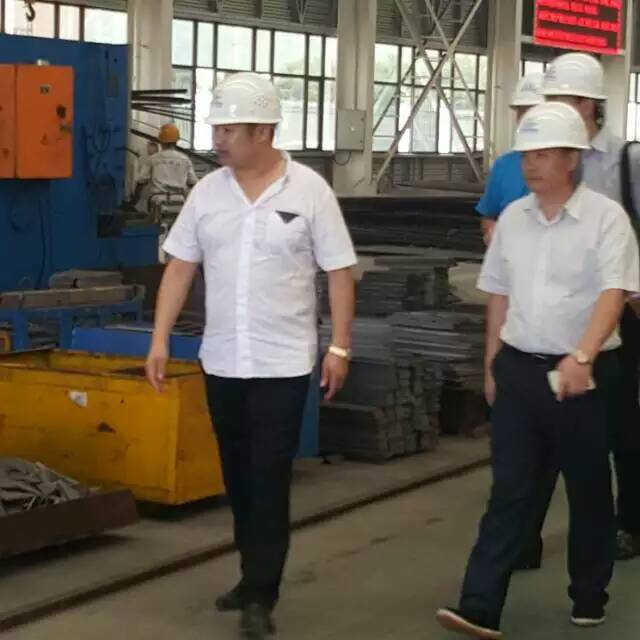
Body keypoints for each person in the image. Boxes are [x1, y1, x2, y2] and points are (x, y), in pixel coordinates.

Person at [144, 72, 356, 640]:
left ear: (262, 131)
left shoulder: (309, 191)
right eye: (215, 128)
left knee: (267, 477)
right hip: (222, 361)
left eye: (228, 129)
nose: (216, 139)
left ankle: (262, 592)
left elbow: (339, 271)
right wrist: (159, 339)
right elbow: (180, 268)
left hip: (282, 364)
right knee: (237, 478)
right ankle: (250, 574)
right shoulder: (207, 193)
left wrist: (339, 345)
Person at [435, 102, 639, 639]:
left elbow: (614, 292)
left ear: (572, 159)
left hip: (586, 376)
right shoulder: (513, 221)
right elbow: (498, 294)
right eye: (526, 155)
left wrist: (583, 356)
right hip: (520, 371)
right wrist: (491, 364)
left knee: (588, 489)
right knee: (510, 490)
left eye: (544, 154)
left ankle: (589, 594)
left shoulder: (606, 219)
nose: (531, 165)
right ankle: (479, 605)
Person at [519, 52, 640, 565]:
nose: (549, 109)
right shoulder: (540, 159)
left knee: (621, 426)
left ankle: (629, 523)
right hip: (555, 314)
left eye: (560, 99)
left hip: (618, 314)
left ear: (588, 103)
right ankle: (524, 537)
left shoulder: (626, 161)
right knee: (542, 429)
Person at [476, 73, 543, 245]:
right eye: (522, 111)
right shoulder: (504, 165)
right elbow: (489, 215)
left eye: (533, 110)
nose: (527, 118)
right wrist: (491, 232)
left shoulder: (573, 163)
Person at [133, 122, 198, 213]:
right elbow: (193, 183)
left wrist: (134, 201)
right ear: (176, 141)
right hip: (179, 201)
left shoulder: (153, 159)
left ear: (161, 141)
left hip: (157, 201)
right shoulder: (185, 159)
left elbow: (141, 181)